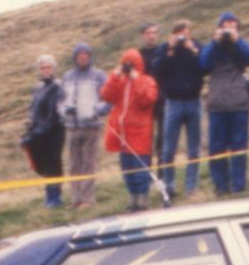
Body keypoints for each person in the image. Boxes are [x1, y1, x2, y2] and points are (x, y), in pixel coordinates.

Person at [199, 11, 249, 195]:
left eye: (233, 26)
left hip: (239, 102)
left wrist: (237, 40)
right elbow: (203, 64)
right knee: (216, 147)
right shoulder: (213, 46)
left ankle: (238, 186)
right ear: (219, 28)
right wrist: (215, 42)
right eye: (226, 25)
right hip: (217, 104)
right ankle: (221, 186)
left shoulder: (240, 44)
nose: (229, 29)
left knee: (239, 146)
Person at [101, 49, 161, 210]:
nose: (128, 67)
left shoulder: (147, 81)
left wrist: (136, 79)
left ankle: (143, 199)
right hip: (123, 134)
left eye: (131, 64)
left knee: (140, 168)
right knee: (127, 169)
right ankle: (133, 199)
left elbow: (147, 100)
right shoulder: (120, 81)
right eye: (125, 63)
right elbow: (106, 95)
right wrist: (115, 75)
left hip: (141, 132)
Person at [152, 20, 205, 198]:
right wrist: (170, 50)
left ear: (190, 33)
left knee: (194, 148)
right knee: (168, 149)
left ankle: (191, 187)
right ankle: (169, 186)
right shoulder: (165, 48)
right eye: (179, 34)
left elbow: (206, 67)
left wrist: (193, 50)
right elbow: (157, 70)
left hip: (193, 102)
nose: (182, 37)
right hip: (173, 103)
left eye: (185, 33)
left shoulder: (196, 46)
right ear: (173, 34)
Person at [59, 43, 108, 208]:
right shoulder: (67, 77)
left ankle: (87, 199)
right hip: (72, 127)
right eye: (79, 56)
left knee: (89, 164)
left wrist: (99, 110)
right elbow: (60, 100)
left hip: (91, 126)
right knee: (74, 165)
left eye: (85, 55)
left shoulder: (98, 75)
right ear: (74, 58)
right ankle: (75, 198)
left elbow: (109, 98)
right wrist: (65, 110)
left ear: (90, 57)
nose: (82, 58)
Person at [21, 55, 66, 207]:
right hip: (39, 132)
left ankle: (55, 197)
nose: (45, 70)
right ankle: (49, 196)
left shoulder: (57, 86)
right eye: (42, 68)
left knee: (53, 164)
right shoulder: (38, 88)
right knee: (43, 165)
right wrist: (30, 131)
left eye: (48, 67)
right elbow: (34, 111)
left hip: (53, 132)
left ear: (53, 69)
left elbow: (53, 113)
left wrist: (41, 130)